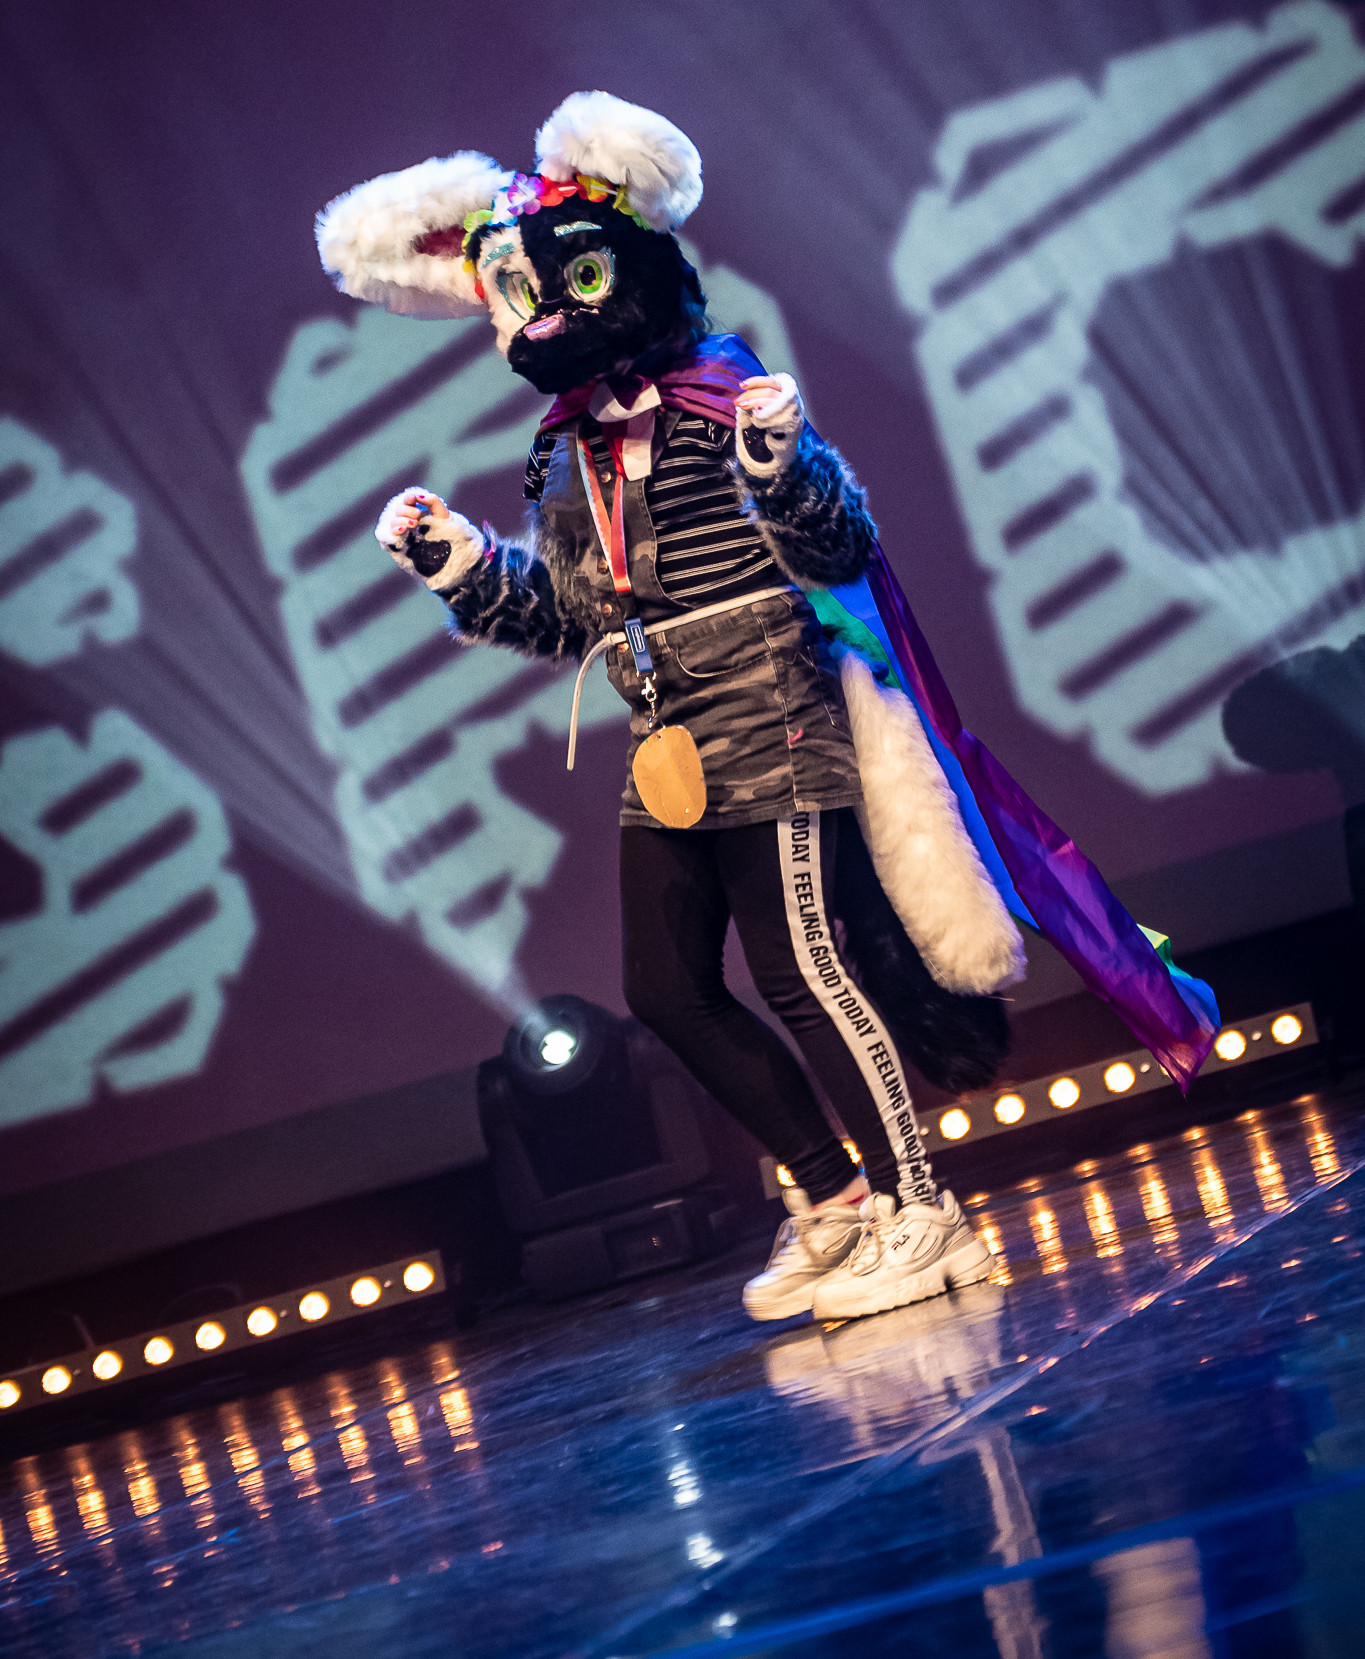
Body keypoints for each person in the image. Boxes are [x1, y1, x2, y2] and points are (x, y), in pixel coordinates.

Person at [317, 90, 1217, 1321]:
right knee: (664, 988)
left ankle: (924, 1209)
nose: (547, 318)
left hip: (772, 699)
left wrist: (782, 468)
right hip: (665, 722)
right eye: (518, 297)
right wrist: (460, 564)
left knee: (803, 966)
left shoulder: (722, 393)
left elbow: (838, 545)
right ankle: (836, 1199)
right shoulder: (569, 451)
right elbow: (574, 614)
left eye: (573, 281)